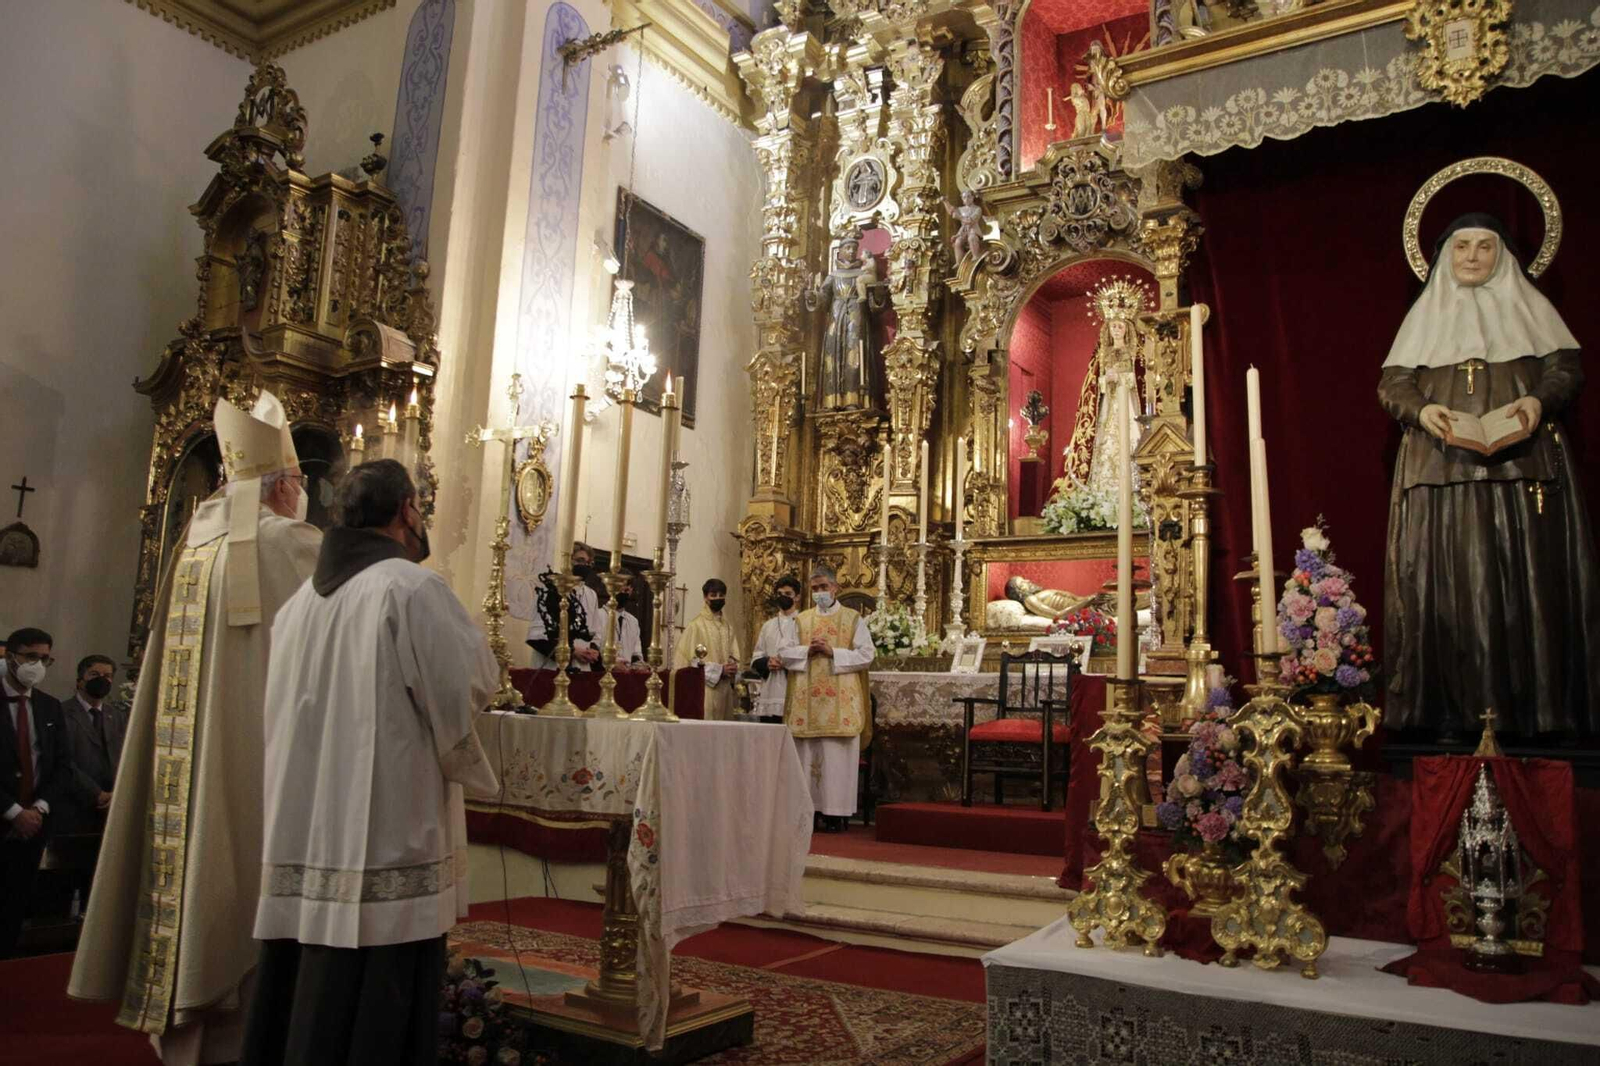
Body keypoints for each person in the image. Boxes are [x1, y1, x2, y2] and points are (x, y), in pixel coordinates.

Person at [70, 391, 321, 1064]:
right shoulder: (293, 545)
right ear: (282, 486)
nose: (304, 494)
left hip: (188, 759)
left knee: (190, 856)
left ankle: (181, 1009)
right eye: (299, 481)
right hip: (254, 758)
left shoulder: (196, 540)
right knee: (237, 867)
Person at [241, 459, 498, 1066]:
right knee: (379, 998)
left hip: (305, 821)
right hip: (385, 825)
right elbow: (463, 686)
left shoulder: (299, 603)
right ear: (407, 510)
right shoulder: (411, 588)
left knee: (305, 984)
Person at [1379, 213, 1598, 741]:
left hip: (1524, 469)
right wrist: (1423, 412)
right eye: (1462, 248)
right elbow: (1394, 382)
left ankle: (1539, 715)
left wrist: (1535, 399)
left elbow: (1565, 369)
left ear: (1503, 255)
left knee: (1528, 581)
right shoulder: (1425, 315)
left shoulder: (1531, 309)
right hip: (1441, 467)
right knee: (1448, 584)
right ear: (1444, 256)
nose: (1473, 257)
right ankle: (1448, 714)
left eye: (1484, 246)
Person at [779, 566, 875, 832]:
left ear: (835, 588)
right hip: (806, 701)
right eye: (815, 588)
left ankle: (836, 813)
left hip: (841, 701)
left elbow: (867, 655)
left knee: (836, 757)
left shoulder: (853, 619)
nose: (819, 593)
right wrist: (806, 651)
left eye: (824, 587)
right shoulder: (801, 621)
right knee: (808, 757)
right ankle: (809, 811)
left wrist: (833, 652)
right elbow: (784, 653)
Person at [2, 628, 73, 956]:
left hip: (34, 826)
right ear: (11, 656)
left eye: (45, 659)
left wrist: (39, 808)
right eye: (32, 657)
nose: (38, 665)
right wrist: (14, 812)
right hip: (6, 817)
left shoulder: (49, 707)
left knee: (14, 908)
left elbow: (61, 765)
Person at [59, 655, 128, 837]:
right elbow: (63, 761)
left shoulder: (117, 716)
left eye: (107, 675)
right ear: (80, 681)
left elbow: (125, 757)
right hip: (75, 807)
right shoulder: (61, 712)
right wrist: (96, 793)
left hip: (111, 809)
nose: (102, 680)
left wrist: (115, 793)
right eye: (94, 674)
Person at [527, 542, 602, 672]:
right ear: (568, 560)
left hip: (582, 667)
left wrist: (593, 651)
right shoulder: (550, 589)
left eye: (589, 563)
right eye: (580, 560)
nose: (585, 566)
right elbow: (538, 636)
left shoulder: (591, 595)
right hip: (552, 667)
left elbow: (595, 632)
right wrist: (572, 651)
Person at [675, 578, 741, 720]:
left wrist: (733, 666)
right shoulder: (696, 626)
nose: (718, 598)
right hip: (705, 691)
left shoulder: (728, 627)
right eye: (713, 595)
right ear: (705, 597)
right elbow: (689, 664)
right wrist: (719, 670)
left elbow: (735, 655)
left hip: (725, 692)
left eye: (721, 595)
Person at [749, 576, 803, 720]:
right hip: (770, 690)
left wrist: (786, 663)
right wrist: (767, 663)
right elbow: (756, 657)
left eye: (787, 594)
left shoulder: (804, 623)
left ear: (797, 597)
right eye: (779, 594)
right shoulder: (768, 626)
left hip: (795, 688)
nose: (783, 597)